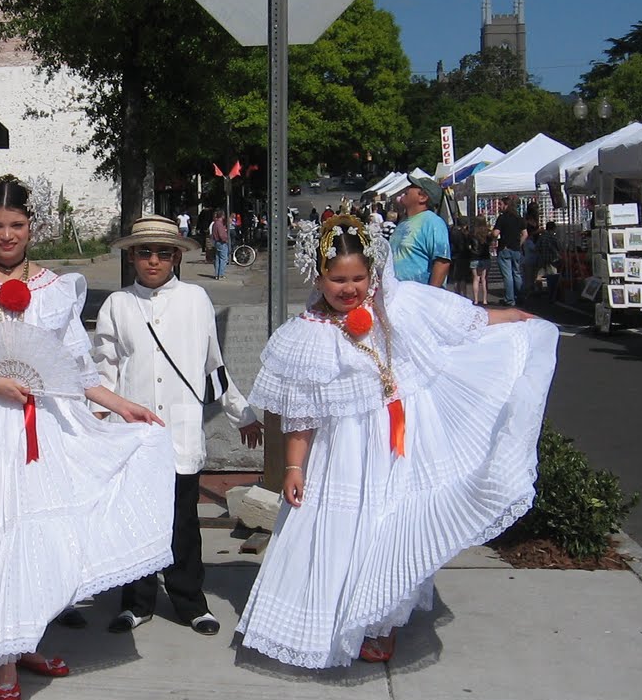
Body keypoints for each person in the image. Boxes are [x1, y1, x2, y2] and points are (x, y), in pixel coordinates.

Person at [236, 216, 555, 669]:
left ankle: (380, 623)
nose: (349, 288)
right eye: (337, 279)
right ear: (318, 276)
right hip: (341, 454)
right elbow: (301, 413)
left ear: (374, 274)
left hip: (395, 447)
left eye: (358, 278)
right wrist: (293, 467)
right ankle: (330, 620)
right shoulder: (306, 334)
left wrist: (508, 318)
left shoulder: (397, 307)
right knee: (343, 533)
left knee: (388, 530)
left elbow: (460, 322)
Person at [0, 175, 173, 700]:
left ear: (33, 227)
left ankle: (25, 638)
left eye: (17, 225)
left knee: (35, 538)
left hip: (40, 431)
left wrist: (121, 406)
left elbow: (73, 370)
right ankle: (2, 659)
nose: (7, 235)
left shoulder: (52, 289)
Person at [93, 214, 262, 635]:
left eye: (163, 253)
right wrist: (96, 422)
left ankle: (190, 602)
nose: (153, 261)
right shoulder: (117, 305)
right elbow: (105, 371)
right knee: (134, 521)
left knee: (183, 522)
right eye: (144, 252)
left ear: (176, 257)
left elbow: (212, 365)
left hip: (181, 430)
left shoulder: (195, 299)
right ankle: (136, 601)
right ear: (131, 256)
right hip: (132, 431)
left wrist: (242, 414)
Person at [390, 179, 451, 287]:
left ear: (423, 197)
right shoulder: (403, 221)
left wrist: (430, 295)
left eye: (412, 186)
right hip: (398, 295)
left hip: (418, 296)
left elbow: (442, 262)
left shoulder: (433, 223)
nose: (407, 188)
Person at [493, 199, 528, 307]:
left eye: (501, 204)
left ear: (506, 205)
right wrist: (519, 244)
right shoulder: (520, 219)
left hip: (505, 248)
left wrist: (491, 234)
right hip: (516, 249)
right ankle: (521, 296)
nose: (500, 207)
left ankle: (510, 299)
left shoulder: (502, 218)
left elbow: (495, 233)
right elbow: (525, 234)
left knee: (507, 275)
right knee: (517, 273)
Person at [467, 216, 493, 307]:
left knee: (476, 279)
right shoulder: (487, 233)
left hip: (474, 257)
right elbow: (490, 242)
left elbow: (469, 245)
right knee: (484, 279)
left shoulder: (472, 233)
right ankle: (485, 299)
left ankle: (476, 300)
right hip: (485, 257)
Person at [211, 208, 231, 278]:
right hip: (221, 243)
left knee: (218, 258)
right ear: (222, 216)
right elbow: (221, 235)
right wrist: (225, 239)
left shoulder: (215, 224)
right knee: (223, 259)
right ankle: (221, 274)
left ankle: (217, 274)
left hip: (216, 242)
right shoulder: (219, 224)